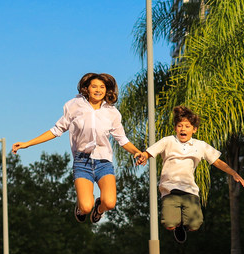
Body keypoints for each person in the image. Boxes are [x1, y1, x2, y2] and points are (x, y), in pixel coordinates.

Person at [11, 72, 148, 223]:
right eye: (94, 86)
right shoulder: (74, 106)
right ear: (87, 89)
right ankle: (81, 207)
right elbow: (56, 130)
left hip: (103, 162)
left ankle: (99, 209)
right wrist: (27, 143)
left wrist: (136, 152)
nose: (98, 90)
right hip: (82, 162)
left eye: (102, 87)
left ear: (106, 90)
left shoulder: (112, 112)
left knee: (109, 203)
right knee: (85, 207)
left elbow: (122, 139)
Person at [139, 106, 244, 242]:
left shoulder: (200, 145)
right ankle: (177, 226)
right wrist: (143, 156)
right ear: (175, 128)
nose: (183, 129)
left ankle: (183, 225)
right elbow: (150, 152)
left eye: (187, 126)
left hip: (189, 190)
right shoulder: (168, 141)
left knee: (195, 225)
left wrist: (233, 173)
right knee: (169, 224)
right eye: (180, 126)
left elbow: (217, 161)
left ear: (194, 129)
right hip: (170, 189)